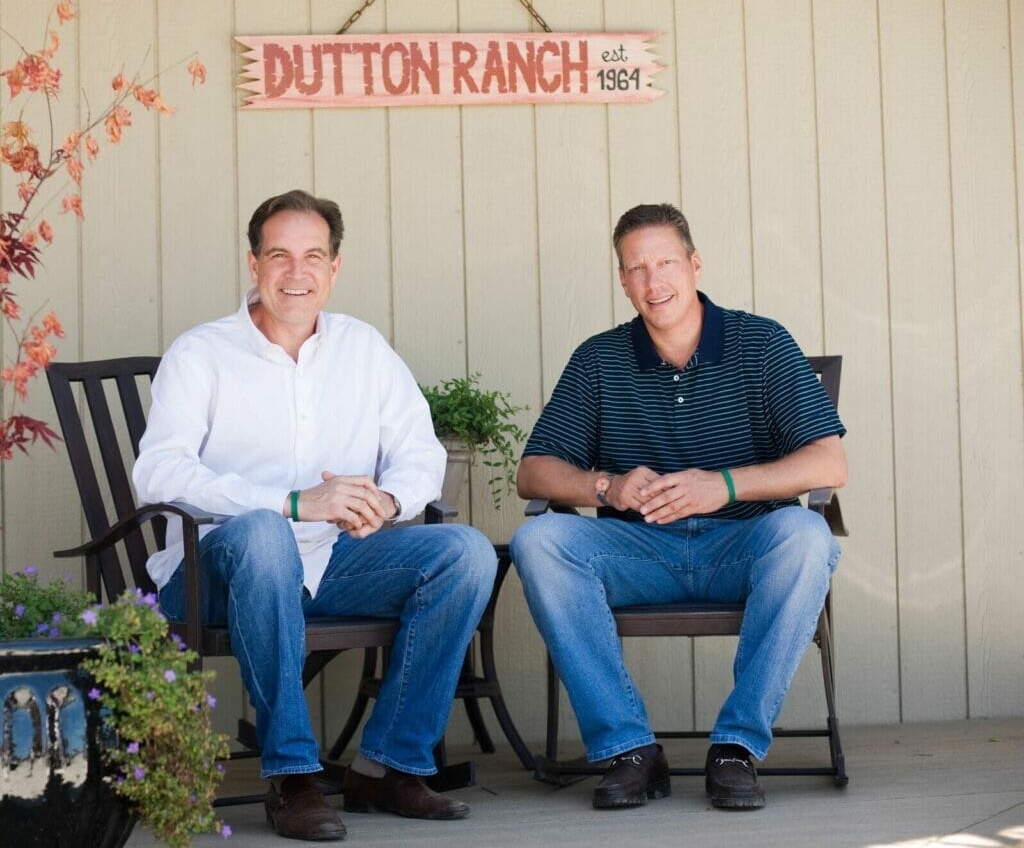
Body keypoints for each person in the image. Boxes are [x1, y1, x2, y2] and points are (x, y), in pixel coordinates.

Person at [132, 190, 496, 841]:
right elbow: (157, 471)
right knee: (268, 534)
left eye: (312, 256)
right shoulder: (202, 354)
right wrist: (291, 501)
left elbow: (419, 449)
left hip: (332, 560)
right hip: (216, 570)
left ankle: (387, 765)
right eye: (279, 255)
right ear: (253, 264)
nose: (295, 272)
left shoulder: (364, 349)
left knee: (464, 553)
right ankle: (294, 775)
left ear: (335, 267)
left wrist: (388, 501)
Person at [510, 203, 847, 812]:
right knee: (539, 541)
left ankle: (736, 748)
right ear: (622, 281)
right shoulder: (599, 359)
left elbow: (829, 464)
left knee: (806, 535)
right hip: (640, 554)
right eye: (636, 268)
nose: (653, 280)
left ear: (694, 264)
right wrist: (606, 487)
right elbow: (532, 474)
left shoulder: (762, 342)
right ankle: (629, 749)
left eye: (665, 262)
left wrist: (724, 484)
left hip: (740, 548)